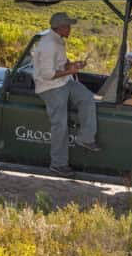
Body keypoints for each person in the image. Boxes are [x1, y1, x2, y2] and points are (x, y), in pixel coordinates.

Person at [32, 12, 100, 177]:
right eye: (68, 26)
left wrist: (72, 64)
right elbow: (47, 74)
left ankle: (85, 138)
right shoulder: (49, 45)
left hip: (63, 82)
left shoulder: (58, 40)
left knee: (87, 97)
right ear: (60, 27)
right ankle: (58, 164)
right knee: (60, 124)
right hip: (50, 87)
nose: (70, 29)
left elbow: (61, 63)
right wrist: (70, 71)